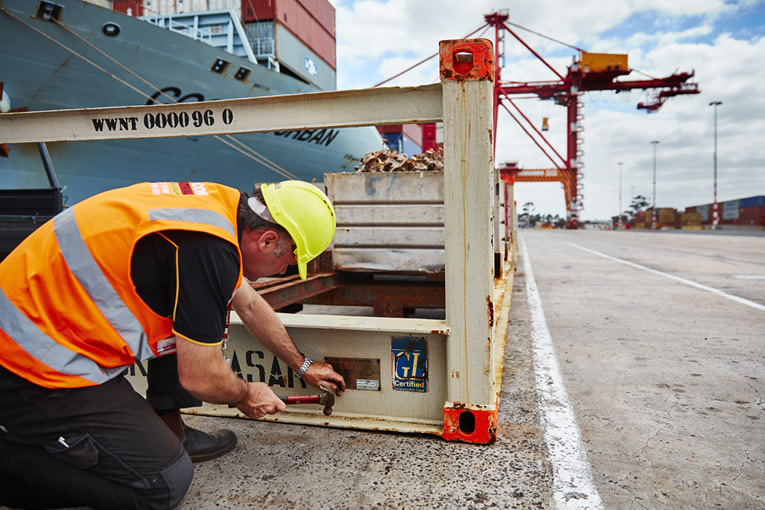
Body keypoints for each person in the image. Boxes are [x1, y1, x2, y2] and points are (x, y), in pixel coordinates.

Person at [0, 180, 346, 509]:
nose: (285, 271)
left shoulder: (218, 210)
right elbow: (201, 377)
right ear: (268, 241)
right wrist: (245, 394)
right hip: (29, 363)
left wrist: (303, 364)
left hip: (36, 329)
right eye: (289, 262)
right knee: (165, 483)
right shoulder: (208, 247)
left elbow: (251, 305)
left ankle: (169, 431)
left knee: (191, 315)